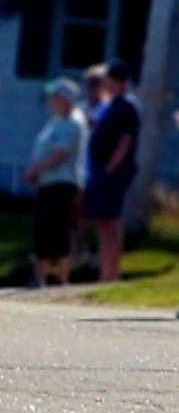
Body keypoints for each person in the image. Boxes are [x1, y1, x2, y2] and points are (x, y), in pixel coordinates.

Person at [24, 79, 88, 287]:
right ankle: (40, 275)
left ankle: (62, 277)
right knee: (42, 228)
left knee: (59, 228)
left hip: (63, 182)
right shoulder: (55, 122)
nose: (51, 100)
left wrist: (37, 169)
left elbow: (60, 153)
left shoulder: (72, 122)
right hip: (47, 182)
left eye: (56, 96)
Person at [85, 57, 141, 283]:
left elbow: (125, 141)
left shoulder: (127, 107)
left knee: (111, 220)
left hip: (113, 172)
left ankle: (112, 272)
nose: (107, 83)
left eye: (110, 79)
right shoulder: (111, 106)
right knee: (103, 221)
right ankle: (104, 270)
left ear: (120, 81)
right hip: (100, 170)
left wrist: (110, 167)